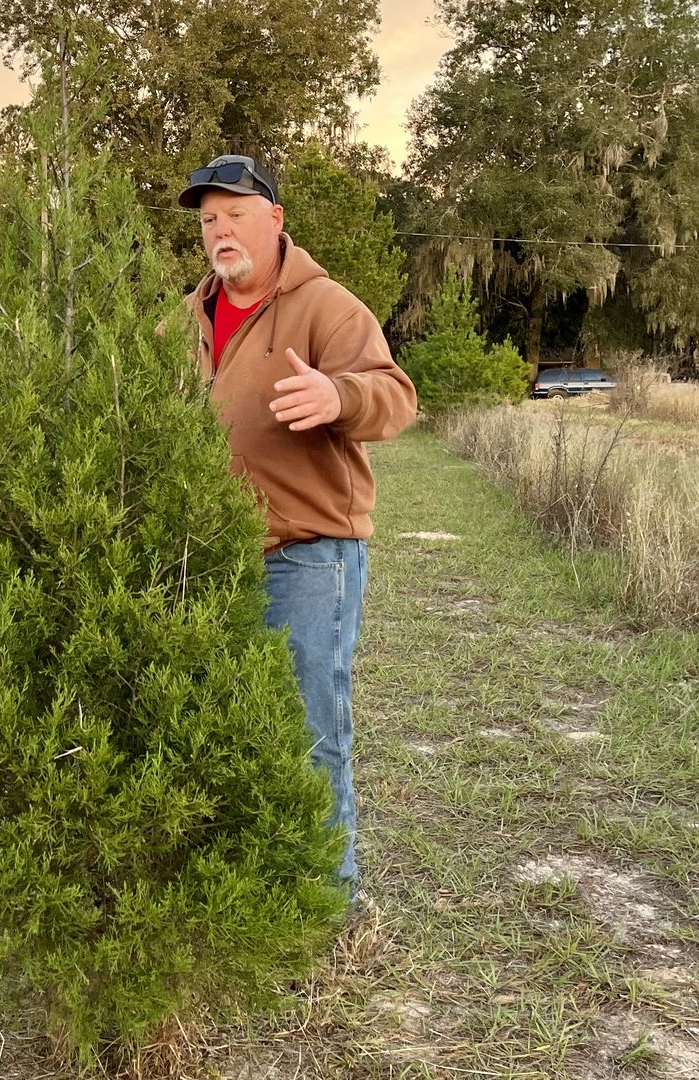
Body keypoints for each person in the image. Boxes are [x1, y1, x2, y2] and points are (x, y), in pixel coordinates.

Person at [178, 154, 418, 896]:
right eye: (209, 219)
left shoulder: (327, 307)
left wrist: (338, 395)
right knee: (229, 725)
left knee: (311, 729)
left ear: (275, 220)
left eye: (236, 213)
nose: (221, 230)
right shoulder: (183, 321)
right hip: (215, 556)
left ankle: (326, 899)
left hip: (309, 555)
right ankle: (256, 884)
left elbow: (395, 396)